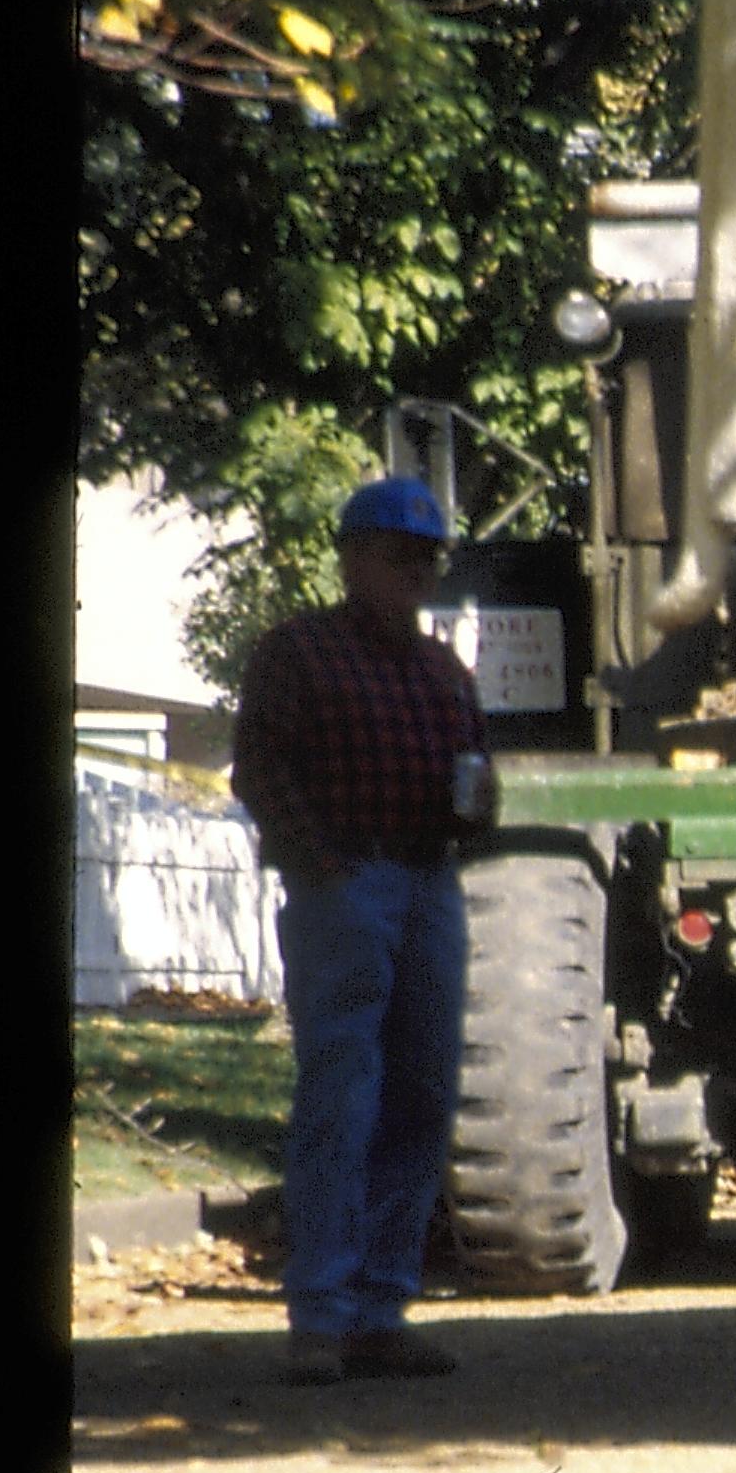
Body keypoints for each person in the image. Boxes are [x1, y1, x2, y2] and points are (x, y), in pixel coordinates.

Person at [231, 477, 496, 1384]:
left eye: (425, 559)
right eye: (396, 556)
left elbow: (474, 777)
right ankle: (321, 1313)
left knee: (423, 1094)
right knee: (342, 1092)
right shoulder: (297, 653)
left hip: (429, 884)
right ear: (351, 558)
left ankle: (381, 1309)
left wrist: (478, 808)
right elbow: (260, 769)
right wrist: (323, 872)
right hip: (346, 881)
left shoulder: (443, 673)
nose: (413, 573)